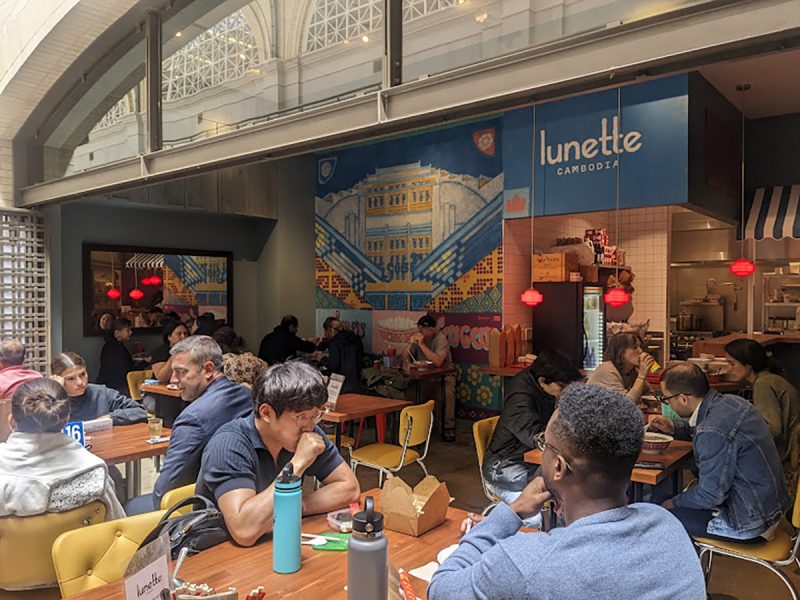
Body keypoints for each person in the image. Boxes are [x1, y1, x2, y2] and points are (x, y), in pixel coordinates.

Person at [428, 383, 706, 599]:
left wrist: (507, 516)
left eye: (544, 445)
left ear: (558, 467)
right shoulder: (668, 527)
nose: (542, 451)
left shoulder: (524, 564)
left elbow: (440, 589)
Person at [196, 361, 361, 547]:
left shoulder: (305, 432)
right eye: (300, 417)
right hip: (218, 557)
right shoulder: (229, 444)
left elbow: (350, 488)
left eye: (316, 415)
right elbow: (244, 530)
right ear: (266, 413)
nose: (309, 426)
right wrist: (297, 464)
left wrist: (295, 505)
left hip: (271, 545)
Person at [650, 362, 789, 542]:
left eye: (667, 399)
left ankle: (687, 568)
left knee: (661, 517)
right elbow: (715, 430)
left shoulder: (711, 430)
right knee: (678, 501)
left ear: (683, 398)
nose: (668, 403)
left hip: (750, 523)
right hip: (771, 508)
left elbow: (710, 495)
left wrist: (671, 503)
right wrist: (674, 428)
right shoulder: (733, 402)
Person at [125, 335, 253, 514]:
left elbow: (165, 490)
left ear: (208, 369)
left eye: (181, 372)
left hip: (203, 508)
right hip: (250, 492)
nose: (173, 380)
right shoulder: (248, 395)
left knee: (128, 507)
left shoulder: (193, 418)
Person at [0, 379, 124, 522]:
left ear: (11, 422)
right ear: (66, 421)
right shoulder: (95, 472)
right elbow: (115, 527)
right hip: (80, 545)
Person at [483, 349, 582, 520]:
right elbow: (537, 435)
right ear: (543, 381)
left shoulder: (541, 384)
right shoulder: (519, 398)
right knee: (562, 480)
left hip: (525, 460)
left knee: (566, 476)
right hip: (503, 466)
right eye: (563, 387)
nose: (565, 392)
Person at [725, 338, 800, 494]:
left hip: (786, 464)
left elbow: (773, 430)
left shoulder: (763, 385)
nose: (727, 369)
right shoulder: (771, 378)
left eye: (731, 364)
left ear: (748, 365)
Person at [50, 352, 147, 425]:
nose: (80, 382)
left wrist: (110, 417)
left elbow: (140, 411)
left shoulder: (101, 392)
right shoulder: (50, 400)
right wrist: (56, 392)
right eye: (71, 378)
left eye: (83, 374)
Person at [407, 314, 457, 442]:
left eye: (423, 329)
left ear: (432, 329)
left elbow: (439, 362)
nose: (420, 332)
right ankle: (415, 427)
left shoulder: (440, 339)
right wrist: (409, 345)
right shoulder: (418, 339)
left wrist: (422, 345)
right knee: (411, 392)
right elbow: (405, 357)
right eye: (419, 329)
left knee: (448, 392)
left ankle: (448, 428)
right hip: (424, 377)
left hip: (443, 376)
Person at [587, 332, 655, 404]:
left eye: (640, 347)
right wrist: (641, 375)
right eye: (634, 347)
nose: (640, 351)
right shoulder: (606, 369)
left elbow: (649, 393)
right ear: (621, 352)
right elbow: (626, 404)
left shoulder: (632, 371)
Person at [319, 318, 363, 394]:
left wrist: (322, 358)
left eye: (325, 331)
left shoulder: (334, 343)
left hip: (341, 384)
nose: (325, 334)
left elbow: (333, 365)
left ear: (330, 330)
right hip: (356, 381)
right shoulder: (355, 339)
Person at [97, 317, 135, 395]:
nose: (131, 332)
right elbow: (126, 369)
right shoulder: (115, 348)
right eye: (128, 330)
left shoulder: (111, 346)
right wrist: (144, 362)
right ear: (117, 333)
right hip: (116, 387)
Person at [151, 319, 189, 384]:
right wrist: (175, 354)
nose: (183, 337)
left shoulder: (191, 351)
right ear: (169, 337)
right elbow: (162, 378)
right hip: (161, 389)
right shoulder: (161, 350)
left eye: (185, 334)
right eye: (179, 334)